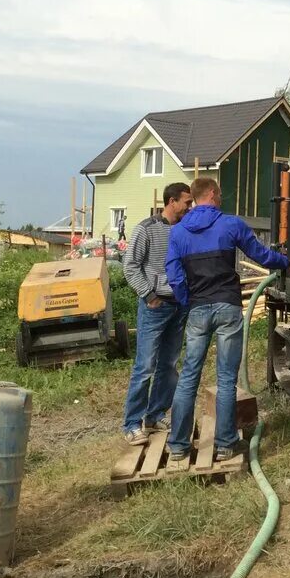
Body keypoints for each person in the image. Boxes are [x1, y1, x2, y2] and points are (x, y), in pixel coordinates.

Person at [165, 176, 290, 461]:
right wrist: (289, 263)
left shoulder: (178, 233)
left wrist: (187, 301)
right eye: (220, 195)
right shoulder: (231, 225)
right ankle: (226, 444)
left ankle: (178, 446)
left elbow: (174, 275)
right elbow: (263, 256)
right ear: (213, 194)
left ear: (195, 196)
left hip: (198, 309)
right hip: (227, 308)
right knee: (226, 379)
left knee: (189, 376)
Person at [121, 182, 193, 444]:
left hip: (179, 306)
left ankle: (154, 415)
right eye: (186, 202)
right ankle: (131, 424)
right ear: (172, 201)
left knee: (169, 365)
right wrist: (149, 295)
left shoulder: (186, 229)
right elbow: (130, 267)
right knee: (145, 366)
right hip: (156, 306)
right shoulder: (147, 229)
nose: (190, 206)